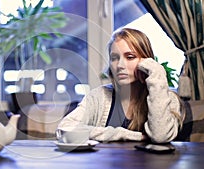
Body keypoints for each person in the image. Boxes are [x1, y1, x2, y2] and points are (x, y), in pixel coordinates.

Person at [57, 28, 185, 143]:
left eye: (130, 57)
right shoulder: (99, 96)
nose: (120, 65)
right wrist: (123, 134)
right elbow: (64, 129)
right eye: (114, 58)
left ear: (147, 62)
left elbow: (160, 136)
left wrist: (157, 74)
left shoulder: (168, 99)